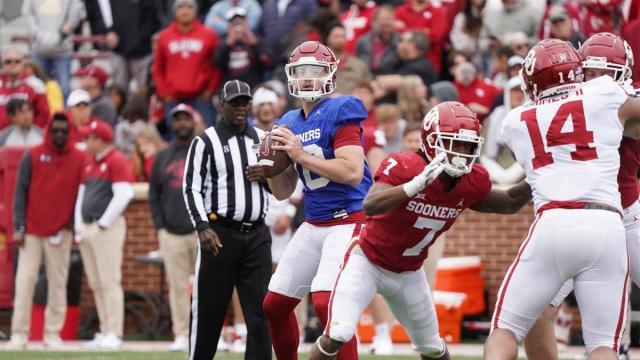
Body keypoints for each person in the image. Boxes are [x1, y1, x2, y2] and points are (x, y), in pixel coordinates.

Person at [308, 101, 532, 359]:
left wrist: (537, 175)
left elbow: (510, 202)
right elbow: (370, 205)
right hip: (367, 260)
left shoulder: (471, 181)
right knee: (338, 333)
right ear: (431, 141)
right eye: (453, 143)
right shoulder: (406, 166)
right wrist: (412, 187)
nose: (461, 152)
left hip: (409, 272)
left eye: (467, 145)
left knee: (433, 347)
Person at [484, 38, 640, 360]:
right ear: (576, 70)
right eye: (591, 71)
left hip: (618, 216)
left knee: (506, 325)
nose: (599, 78)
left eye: (605, 73)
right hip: (605, 221)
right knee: (555, 321)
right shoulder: (605, 96)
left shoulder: (516, 120)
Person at [261, 41, 370, 360]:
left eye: (316, 71)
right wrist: (269, 168)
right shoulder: (288, 122)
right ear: (291, 76)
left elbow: (351, 171)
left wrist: (298, 154)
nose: (308, 78)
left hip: (348, 219)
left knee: (326, 303)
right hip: (314, 222)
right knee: (275, 305)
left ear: (331, 74)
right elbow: (282, 190)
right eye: (302, 72)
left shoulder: (342, 109)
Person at [183, 80, 272, 360]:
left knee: (261, 313)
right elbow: (191, 187)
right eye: (235, 102)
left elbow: (279, 186)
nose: (241, 108)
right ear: (221, 106)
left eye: (245, 102)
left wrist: (268, 175)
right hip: (220, 234)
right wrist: (202, 226)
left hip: (257, 234)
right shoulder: (205, 141)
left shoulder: (262, 138)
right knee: (209, 311)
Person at [8, 112, 84, 349]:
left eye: (63, 131)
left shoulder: (79, 158)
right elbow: (20, 192)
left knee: (58, 283)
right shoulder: (32, 155)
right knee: (25, 280)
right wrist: (18, 226)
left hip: (61, 230)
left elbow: (82, 193)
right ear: (49, 131)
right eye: (55, 130)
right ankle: (19, 333)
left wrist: (74, 222)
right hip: (31, 229)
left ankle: (52, 333)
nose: (59, 135)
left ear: (69, 132)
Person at [74, 119, 134, 350]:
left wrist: (103, 223)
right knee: (96, 284)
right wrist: (79, 225)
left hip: (106, 229)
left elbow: (124, 194)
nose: (85, 141)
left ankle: (115, 333)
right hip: (89, 228)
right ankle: (104, 329)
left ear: (100, 140)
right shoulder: (89, 161)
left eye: (88, 138)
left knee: (109, 281)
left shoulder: (116, 160)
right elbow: (82, 195)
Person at [149, 103, 198, 352]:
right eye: (177, 119)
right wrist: (160, 227)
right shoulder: (163, 156)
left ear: (193, 122)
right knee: (177, 286)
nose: (181, 124)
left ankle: (209, 333)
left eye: (185, 119)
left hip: (201, 231)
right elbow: (153, 194)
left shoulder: (202, 152)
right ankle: (181, 333)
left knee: (208, 286)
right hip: (172, 232)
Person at [153, 0, 221, 134]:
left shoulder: (209, 35)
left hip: (201, 99)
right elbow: (158, 68)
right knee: (177, 140)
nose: (185, 11)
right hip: (173, 99)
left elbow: (216, 66)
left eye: (189, 7)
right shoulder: (164, 36)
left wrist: (210, 90)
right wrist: (164, 94)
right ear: (174, 12)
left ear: (195, 11)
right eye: (181, 7)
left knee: (206, 138)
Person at [84, 0, 159, 93]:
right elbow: (98, 13)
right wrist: (107, 32)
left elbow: (153, 19)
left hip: (141, 52)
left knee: (143, 92)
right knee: (119, 92)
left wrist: (137, 40)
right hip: (118, 50)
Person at [21, 0, 83, 100]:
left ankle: (64, 115)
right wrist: (36, 34)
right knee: (36, 88)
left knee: (64, 89)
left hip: (62, 51)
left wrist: (63, 32)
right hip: (39, 50)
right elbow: (26, 12)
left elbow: (75, 12)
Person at [214, 7, 265, 87]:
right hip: (231, 91)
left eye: (240, 22)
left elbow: (267, 64)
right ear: (228, 26)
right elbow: (217, 64)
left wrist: (254, 45)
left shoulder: (257, 40)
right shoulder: (222, 42)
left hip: (253, 88)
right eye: (234, 23)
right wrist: (228, 45)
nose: (238, 27)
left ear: (247, 23)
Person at [0, 48, 49, 130]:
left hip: (27, 136)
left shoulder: (35, 84)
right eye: (8, 61)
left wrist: (32, 132)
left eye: (17, 61)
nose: (13, 64)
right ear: (2, 64)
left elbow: (44, 113)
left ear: (23, 64)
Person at [393, 0, 448, 71]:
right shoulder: (400, 10)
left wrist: (404, 29)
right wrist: (424, 31)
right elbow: (395, 33)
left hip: (429, 61)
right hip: (400, 60)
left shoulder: (438, 11)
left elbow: (435, 36)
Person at [356, 6, 399, 76]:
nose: (386, 30)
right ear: (373, 23)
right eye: (383, 26)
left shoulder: (399, 42)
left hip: (390, 80)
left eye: (388, 26)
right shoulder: (363, 42)